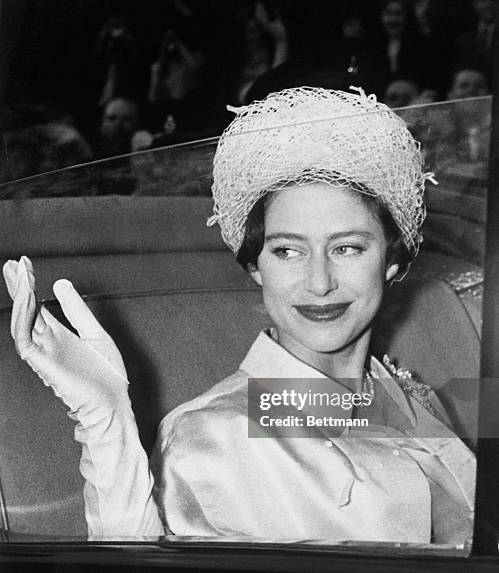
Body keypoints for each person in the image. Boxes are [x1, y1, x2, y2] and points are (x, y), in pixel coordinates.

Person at [2, 87, 475, 542]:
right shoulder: (213, 436)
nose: (319, 282)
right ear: (256, 268)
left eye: (347, 248)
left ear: (391, 263)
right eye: (287, 251)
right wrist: (105, 424)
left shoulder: (406, 391)